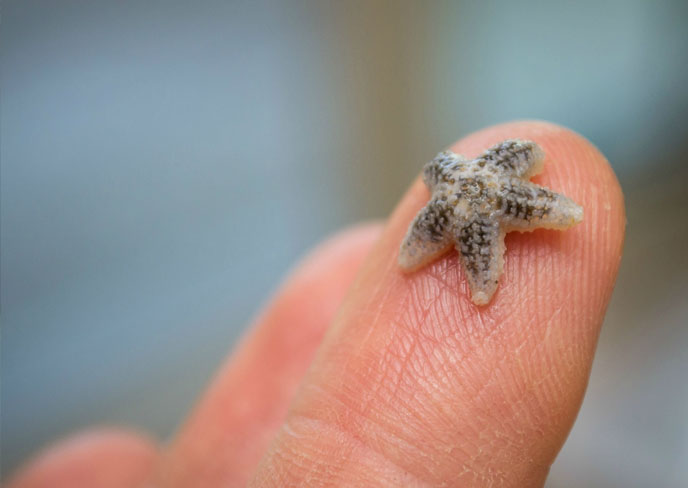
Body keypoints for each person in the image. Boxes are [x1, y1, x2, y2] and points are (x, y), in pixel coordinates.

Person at [8, 121, 625, 487]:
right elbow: (424, 230)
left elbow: (473, 188)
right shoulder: (456, 194)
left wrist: (556, 209)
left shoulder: (471, 185)